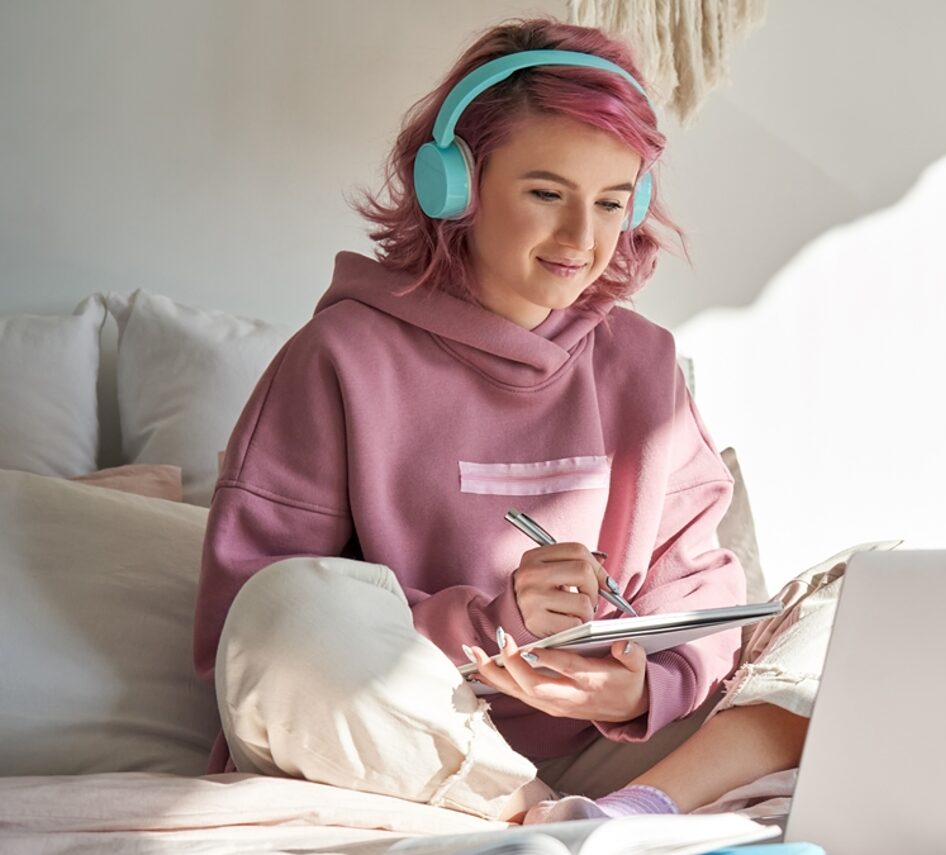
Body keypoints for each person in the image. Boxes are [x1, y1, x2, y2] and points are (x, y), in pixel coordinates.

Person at [191, 17, 837, 824]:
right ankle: (532, 816)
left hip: (607, 748)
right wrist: (496, 625)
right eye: (545, 193)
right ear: (452, 186)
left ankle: (626, 815)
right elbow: (243, 627)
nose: (583, 238)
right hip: (399, 742)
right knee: (283, 609)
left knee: (853, 596)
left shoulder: (644, 361)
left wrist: (645, 685)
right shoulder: (339, 356)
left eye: (610, 203)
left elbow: (702, 583)